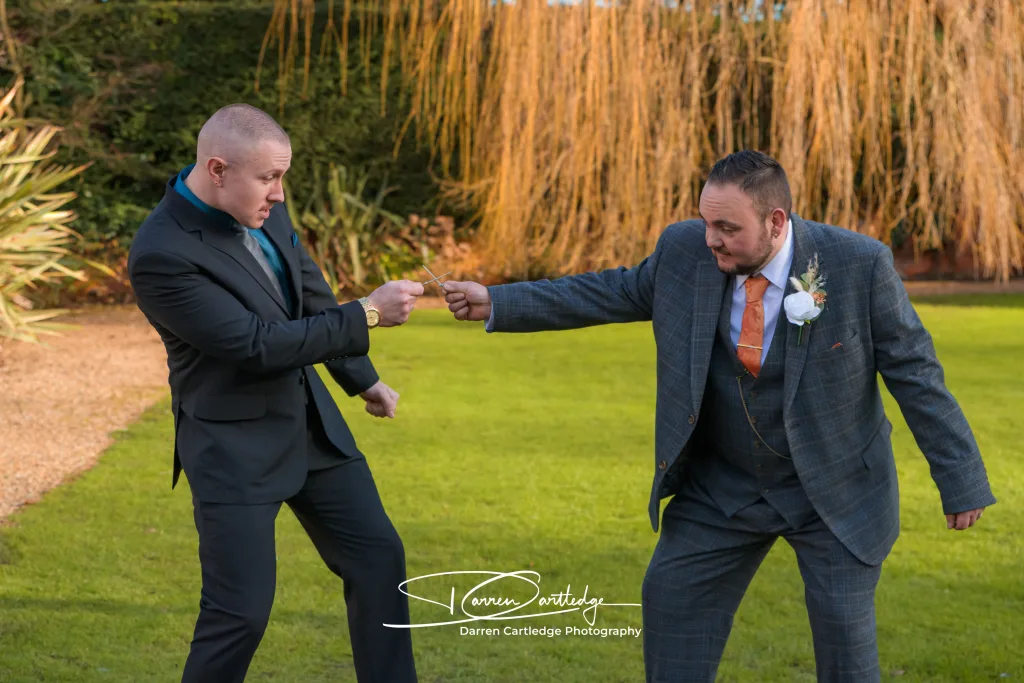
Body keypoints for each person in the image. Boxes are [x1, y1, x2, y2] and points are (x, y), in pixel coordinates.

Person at [442, 150, 995, 682]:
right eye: (707, 223)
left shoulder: (858, 264)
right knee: (671, 603)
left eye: (728, 228)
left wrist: (960, 478)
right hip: (721, 488)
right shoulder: (686, 252)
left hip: (834, 490)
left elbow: (916, 374)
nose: (712, 239)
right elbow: (608, 291)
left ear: (776, 222)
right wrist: (497, 301)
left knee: (846, 656)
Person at [128, 103, 422, 683]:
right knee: (239, 613)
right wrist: (368, 311)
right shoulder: (162, 254)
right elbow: (256, 344)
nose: (279, 194)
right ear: (217, 169)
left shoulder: (266, 211)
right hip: (234, 450)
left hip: (313, 431)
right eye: (268, 178)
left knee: (380, 563)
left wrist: (363, 380)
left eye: (280, 177)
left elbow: (312, 300)